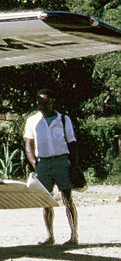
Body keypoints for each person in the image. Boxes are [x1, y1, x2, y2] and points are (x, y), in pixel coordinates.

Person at [23, 88, 80, 247]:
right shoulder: (32, 121)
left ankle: (73, 235)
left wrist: (74, 166)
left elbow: (72, 143)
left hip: (62, 161)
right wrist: (35, 163)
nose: (43, 106)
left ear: (52, 102)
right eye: (40, 103)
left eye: (46, 103)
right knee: (45, 201)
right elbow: (28, 144)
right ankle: (50, 236)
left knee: (67, 198)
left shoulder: (63, 119)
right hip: (43, 163)